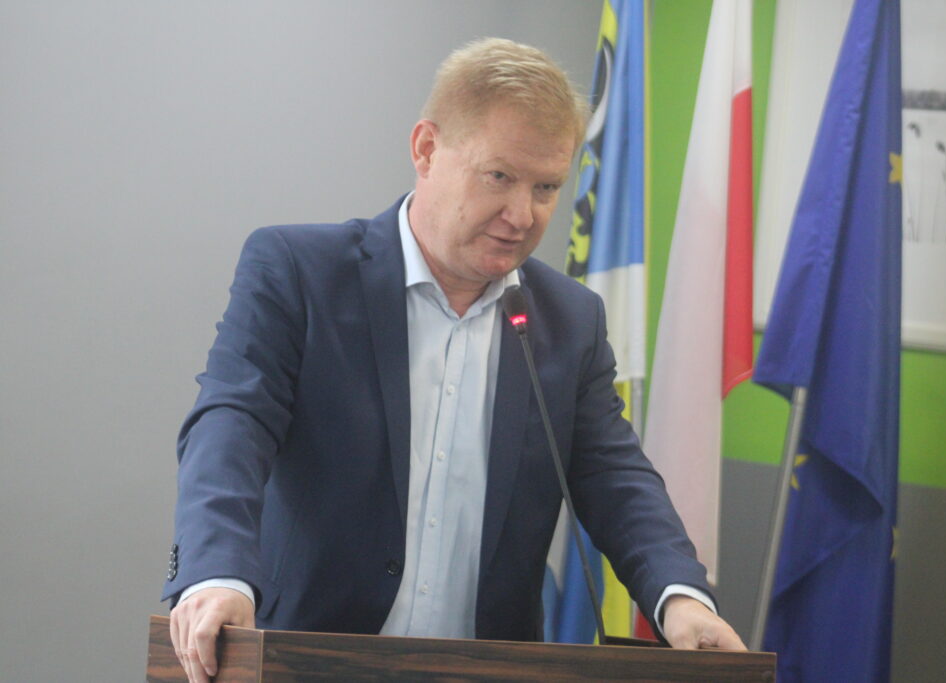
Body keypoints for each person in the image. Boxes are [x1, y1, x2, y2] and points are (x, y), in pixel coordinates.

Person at [164, 37, 744, 683]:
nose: (522, 215)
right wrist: (217, 574)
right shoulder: (300, 273)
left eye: (546, 187)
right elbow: (230, 424)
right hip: (305, 662)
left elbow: (615, 477)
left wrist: (680, 597)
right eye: (499, 177)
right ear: (426, 149)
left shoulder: (571, 321)